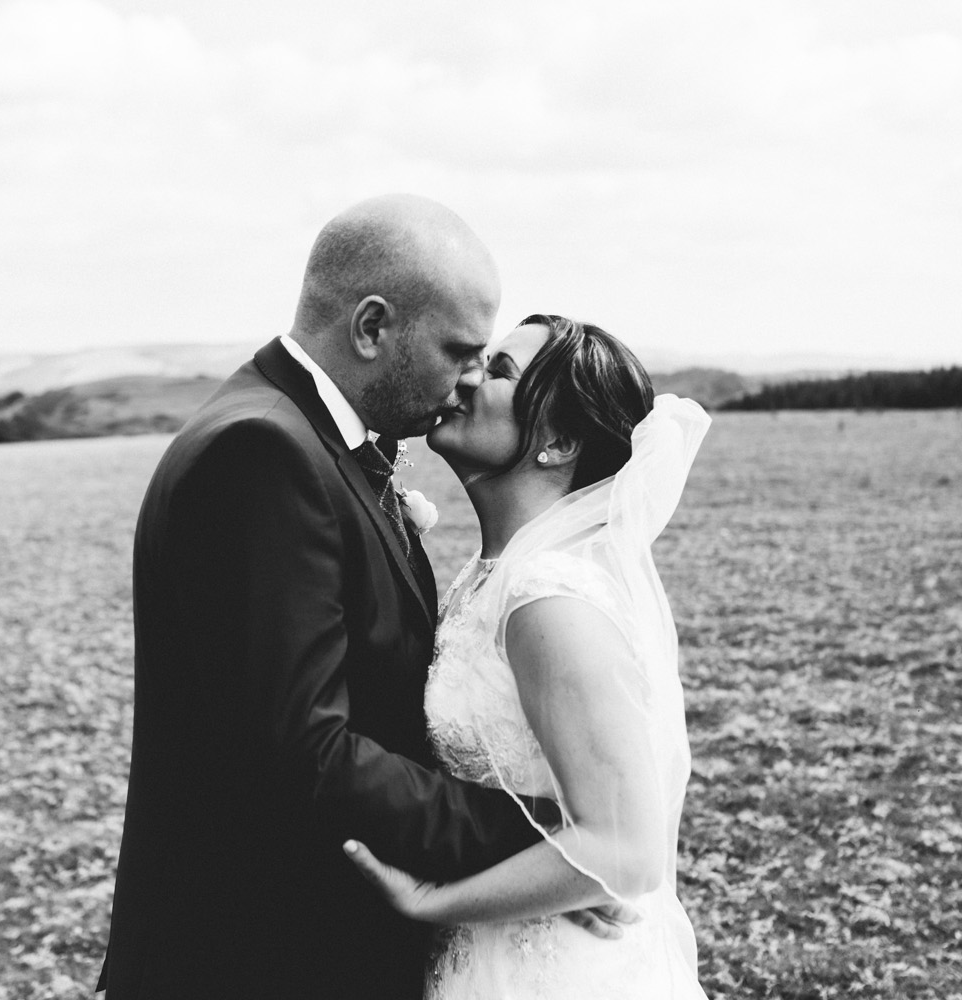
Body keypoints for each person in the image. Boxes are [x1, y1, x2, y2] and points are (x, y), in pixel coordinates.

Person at [95, 196, 622, 999]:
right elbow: (305, 752)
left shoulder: (308, 442)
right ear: (373, 328)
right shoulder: (261, 452)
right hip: (250, 957)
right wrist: (545, 835)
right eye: (458, 349)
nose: (470, 377)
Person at [345, 314, 710, 998]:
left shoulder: (548, 598)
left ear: (559, 442)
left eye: (501, 371)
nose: (468, 375)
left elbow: (626, 853)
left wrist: (433, 902)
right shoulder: (490, 576)